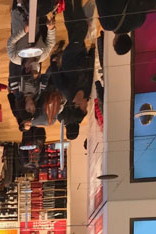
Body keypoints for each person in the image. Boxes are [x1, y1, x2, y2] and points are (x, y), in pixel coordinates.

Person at [49, 0, 96, 139]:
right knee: (72, 27)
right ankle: (68, 4)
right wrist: (92, 53)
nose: (86, 105)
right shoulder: (87, 92)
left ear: (76, 106)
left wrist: (53, 62)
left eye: (84, 108)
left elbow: (57, 78)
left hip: (70, 57)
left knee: (81, 27)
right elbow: (90, 72)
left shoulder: (68, 92)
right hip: (81, 54)